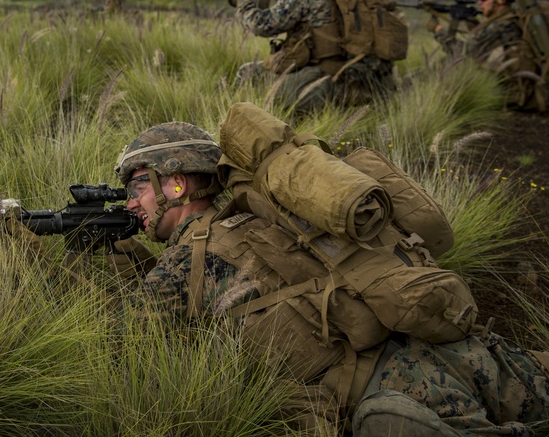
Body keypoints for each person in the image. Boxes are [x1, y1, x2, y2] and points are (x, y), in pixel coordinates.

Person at [108, 120, 549, 435]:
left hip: (399, 400)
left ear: (178, 185)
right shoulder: (277, 212)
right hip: (460, 347)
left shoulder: (181, 267)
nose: (130, 203)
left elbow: (120, 348)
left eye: (137, 186)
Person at [226, 0, 397, 114]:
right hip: (366, 80)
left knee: (247, 73)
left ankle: (237, 121)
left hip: (323, 84)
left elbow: (260, 25)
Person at [430, 0, 524, 64]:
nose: (480, 2)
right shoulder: (515, 18)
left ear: (500, 0)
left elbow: (466, 54)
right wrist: (473, 24)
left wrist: (438, 31)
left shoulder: (500, 26)